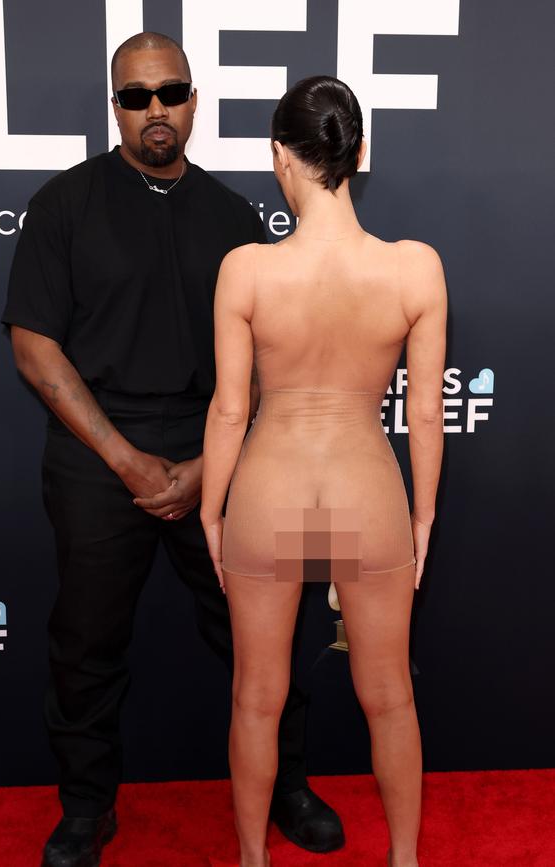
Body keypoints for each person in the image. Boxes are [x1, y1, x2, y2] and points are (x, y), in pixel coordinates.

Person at [2, 34, 344, 867]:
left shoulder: (234, 218)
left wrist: (204, 467)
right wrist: (124, 459)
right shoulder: (63, 206)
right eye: (136, 95)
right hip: (96, 453)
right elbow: (35, 347)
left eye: (172, 91)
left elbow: (271, 358)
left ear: (195, 101)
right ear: (114, 105)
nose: (156, 109)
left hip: (219, 446)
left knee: (262, 635)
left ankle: (288, 782)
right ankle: (86, 808)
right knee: (85, 643)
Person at [201, 75, 446, 867]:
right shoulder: (415, 270)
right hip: (367, 489)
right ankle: (405, 859)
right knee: (391, 698)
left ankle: (251, 860)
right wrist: (424, 516)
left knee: (255, 698)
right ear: (359, 152)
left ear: (281, 156)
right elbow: (424, 416)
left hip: (267, 494)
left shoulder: (247, 271)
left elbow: (231, 412)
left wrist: (211, 509)